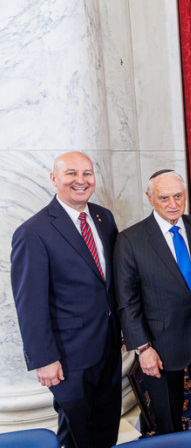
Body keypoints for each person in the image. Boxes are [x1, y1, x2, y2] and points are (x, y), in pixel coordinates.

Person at [10, 152, 121, 448]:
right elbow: (29, 304)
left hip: (108, 349)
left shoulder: (103, 217)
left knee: (106, 427)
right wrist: (44, 359)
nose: (81, 181)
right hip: (69, 357)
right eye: (71, 173)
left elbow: (109, 282)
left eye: (87, 173)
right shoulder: (33, 232)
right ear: (54, 179)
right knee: (77, 431)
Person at [114, 170, 191, 433]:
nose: (173, 204)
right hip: (160, 344)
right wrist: (143, 348)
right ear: (150, 198)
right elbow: (127, 301)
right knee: (168, 420)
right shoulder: (130, 240)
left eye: (178, 196)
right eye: (164, 198)